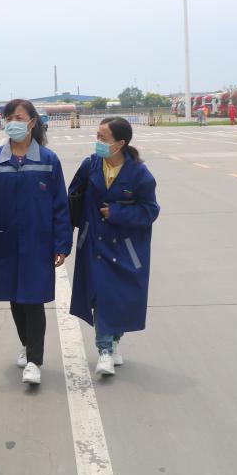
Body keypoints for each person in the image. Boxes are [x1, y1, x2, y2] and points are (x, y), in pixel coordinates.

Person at [0, 100, 71, 385]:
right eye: (9, 118)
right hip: (5, 240)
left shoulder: (48, 160)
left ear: (32, 122)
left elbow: (60, 205)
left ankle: (35, 361)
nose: (12, 123)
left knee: (33, 299)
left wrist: (61, 243)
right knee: (14, 297)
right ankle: (27, 345)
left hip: (38, 242)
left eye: (19, 118)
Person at [68, 117, 160, 376]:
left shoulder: (139, 174)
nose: (97, 142)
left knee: (120, 298)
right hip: (94, 242)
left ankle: (114, 341)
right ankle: (105, 351)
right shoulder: (90, 165)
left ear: (120, 144)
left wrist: (117, 212)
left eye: (103, 138)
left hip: (125, 247)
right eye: (97, 136)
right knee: (101, 295)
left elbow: (150, 211)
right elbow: (72, 197)